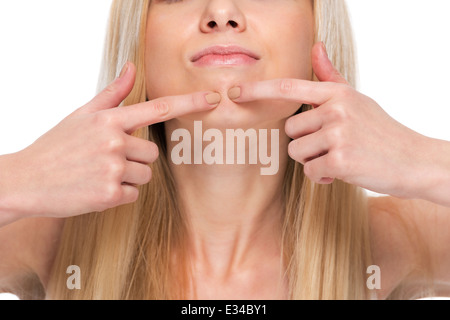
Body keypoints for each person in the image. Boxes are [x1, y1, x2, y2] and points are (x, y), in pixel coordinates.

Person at [0, 0, 449, 300]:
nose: (221, 12)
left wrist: (424, 162)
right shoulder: (50, 237)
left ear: (318, 23)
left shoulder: (393, 237)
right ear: (137, 35)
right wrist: (16, 179)